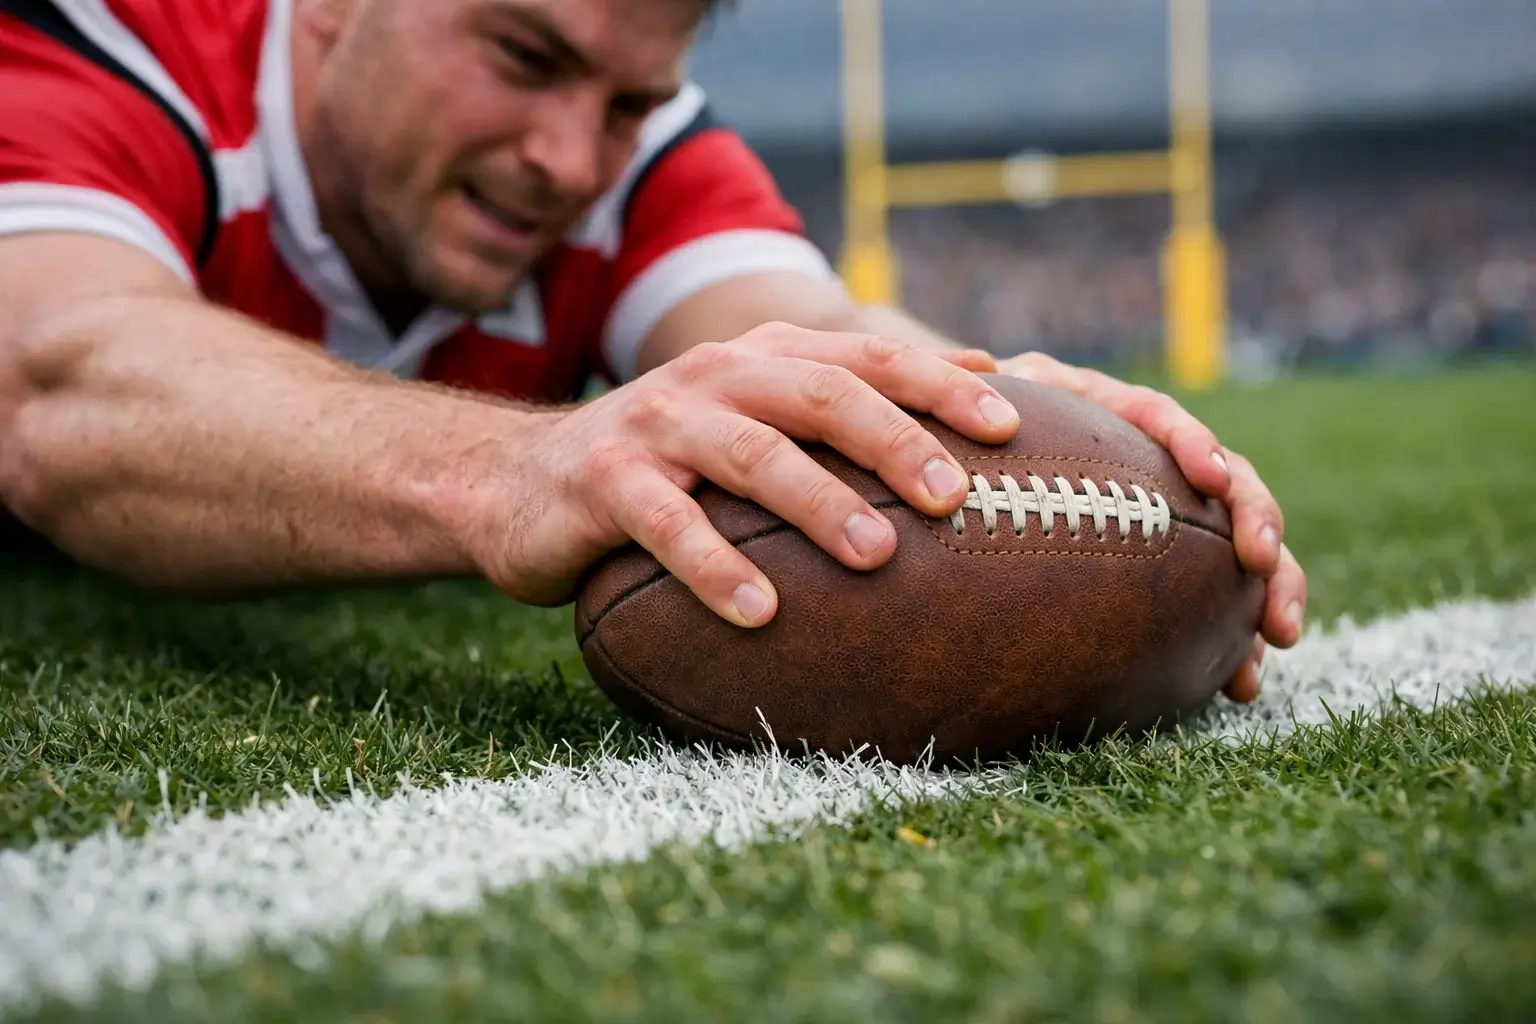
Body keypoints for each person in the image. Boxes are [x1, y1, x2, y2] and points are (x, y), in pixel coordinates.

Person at [0, 0, 1305, 703]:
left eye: (628, 102)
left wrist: (995, 402)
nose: (569, 159)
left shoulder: (645, 160)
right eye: (522, 53)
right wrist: (504, 470)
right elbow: (61, 382)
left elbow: (818, 337)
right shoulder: (103, 45)